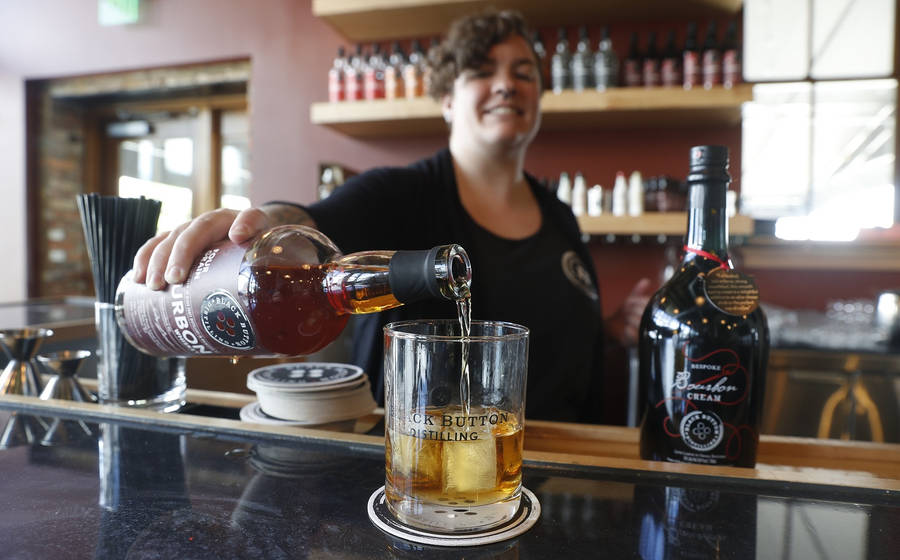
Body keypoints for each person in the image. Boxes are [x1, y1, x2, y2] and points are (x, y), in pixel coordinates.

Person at [132, 10, 650, 424]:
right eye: (482, 72)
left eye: (523, 73)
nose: (506, 85)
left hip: (561, 466)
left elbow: (551, 331)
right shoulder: (400, 193)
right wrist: (259, 224)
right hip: (427, 469)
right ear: (447, 99)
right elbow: (312, 221)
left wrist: (609, 327)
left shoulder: (558, 214)